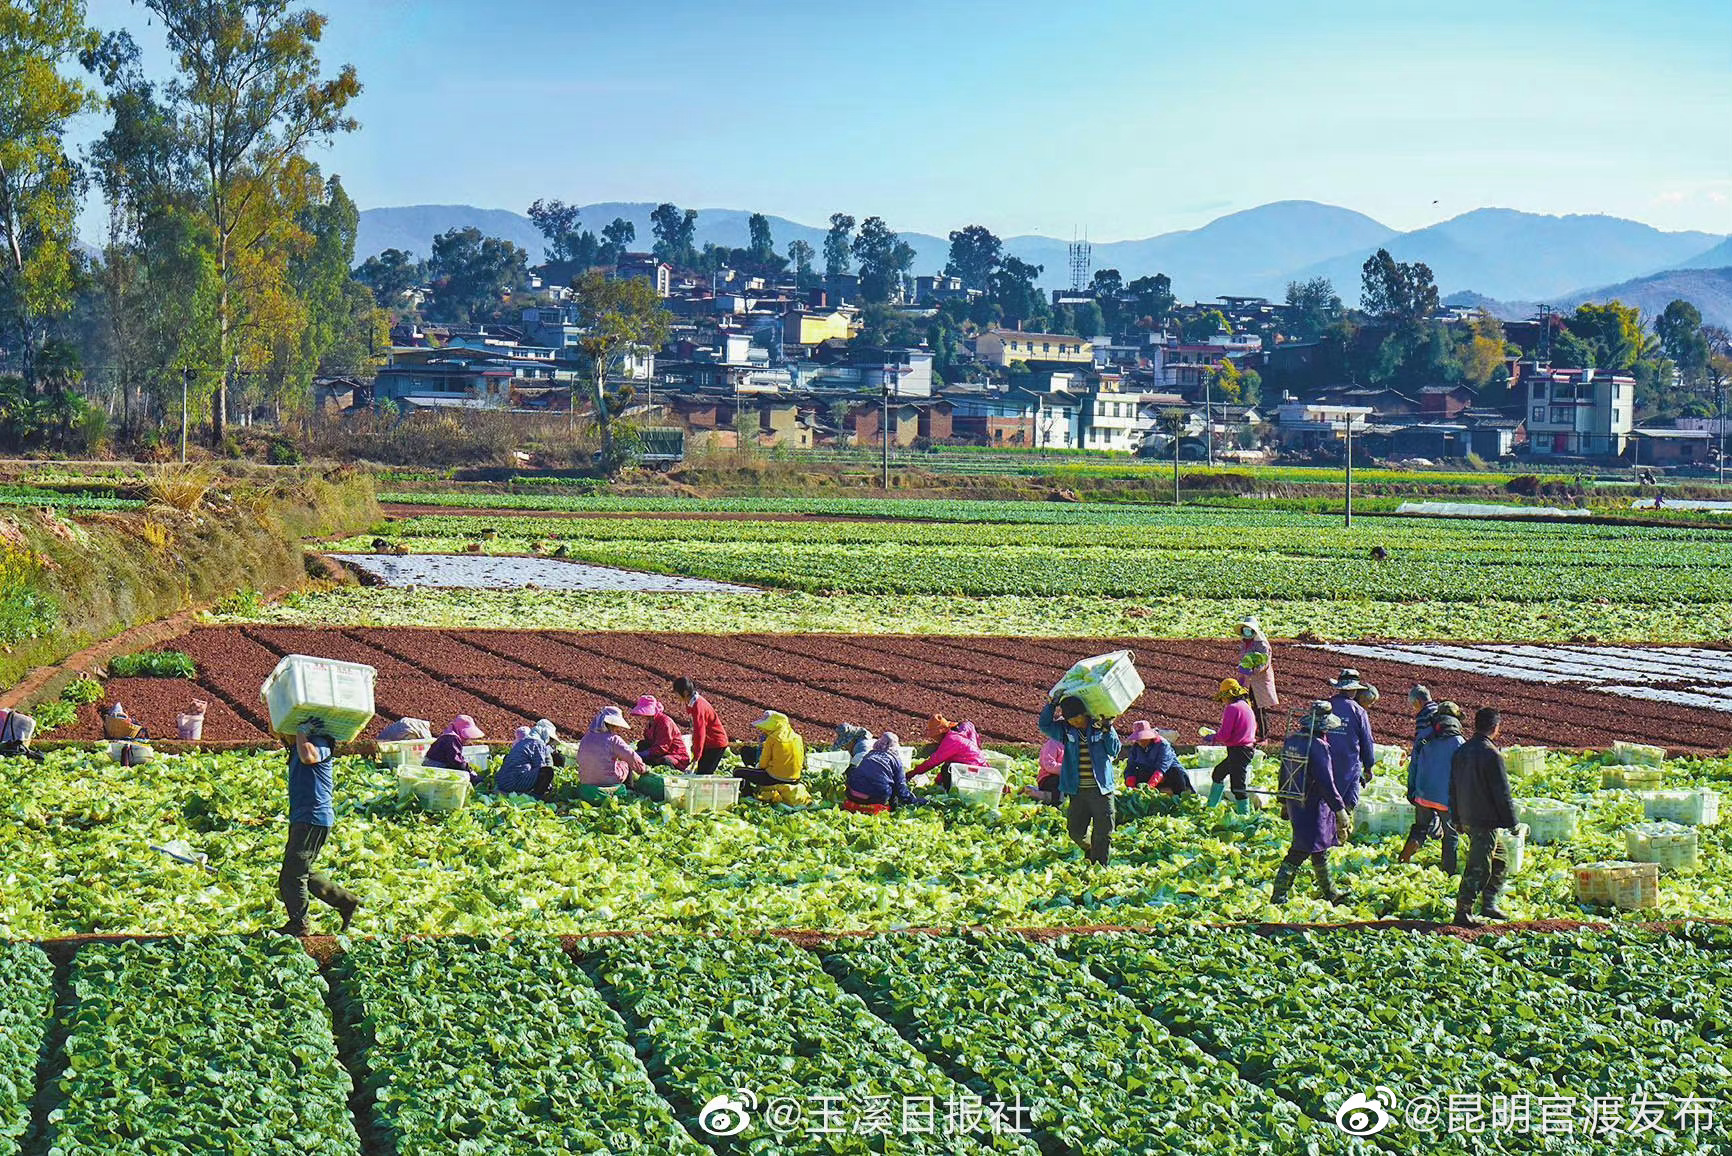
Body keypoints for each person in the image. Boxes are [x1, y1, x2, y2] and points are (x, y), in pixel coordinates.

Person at [276, 717, 359, 936]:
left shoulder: (319, 742)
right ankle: (346, 901)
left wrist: (301, 731)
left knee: (291, 876)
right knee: (301, 871)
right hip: (304, 817)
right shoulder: (297, 745)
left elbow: (309, 757)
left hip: (313, 817)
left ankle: (299, 925)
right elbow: (276, 729)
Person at [1270, 702, 1351, 906]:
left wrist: (1283, 801)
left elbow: (1284, 772)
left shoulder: (1293, 740)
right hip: (1313, 805)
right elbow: (1326, 782)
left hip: (1295, 801)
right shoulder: (1319, 746)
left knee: (1318, 849)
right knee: (1301, 849)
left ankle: (1330, 892)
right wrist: (1340, 810)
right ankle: (1279, 895)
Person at [1449, 707, 1517, 927]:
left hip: (1468, 816)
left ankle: (1489, 903)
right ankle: (1463, 911)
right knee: (1479, 866)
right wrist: (1512, 823)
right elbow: (1502, 792)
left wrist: (1456, 817)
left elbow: (1452, 787)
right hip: (1483, 820)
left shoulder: (1462, 750)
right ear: (1496, 728)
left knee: (1500, 859)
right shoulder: (1491, 754)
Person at [1038, 694, 1122, 866]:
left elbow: (1114, 750)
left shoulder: (1099, 727)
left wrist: (1108, 728)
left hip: (1101, 790)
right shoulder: (1065, 730)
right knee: (1075, 831)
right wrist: (1052, 705)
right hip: (1077, 790)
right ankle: (1089, 849)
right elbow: (1044, 725)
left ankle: (1100, 866)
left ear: (1085, 714)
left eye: (1077, 718)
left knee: (1104, 831)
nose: (1075, 722)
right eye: (1071, 720)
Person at [1400, 700, 1463, 873]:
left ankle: (1404, 857)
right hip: (1445, 798)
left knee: (1420, 827)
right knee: (1450, 835)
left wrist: (1412, 788)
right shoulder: (1458, 742)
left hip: (1423, 792)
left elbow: (1414, 765)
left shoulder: (1424, 736)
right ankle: (1448, 872)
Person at [1206, 678, 1260, 815]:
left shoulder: (1232, 708)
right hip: (1245, 749)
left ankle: (1244, 816)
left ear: (1227, 696)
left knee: (1238, 786)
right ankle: (1211, 808)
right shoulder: (1245, 705)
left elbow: (1225, 734)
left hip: (1239, 750)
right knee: (1218, 773)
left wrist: (1213, 737)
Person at [1326, 669, 1377, 811]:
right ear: (1354, 690)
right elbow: (1367, 742)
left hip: (1323, 759)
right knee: (1347, 803)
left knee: (1323, 800)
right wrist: (1368, 766)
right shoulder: (1359, 711)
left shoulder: (1326, 705)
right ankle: (1342, 828)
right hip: (1348, 764)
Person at [844, 732, 925, 814]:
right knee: (894, 785)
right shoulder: (895, 761)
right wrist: (914, 801)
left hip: (851, 794)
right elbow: (901, 788)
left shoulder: (870, 754)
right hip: (875, 798)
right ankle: (893, 810)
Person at [577, 706, 648, 791]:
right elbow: (631, 756)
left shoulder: (586, 737)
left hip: (585, 780)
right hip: (608, 781)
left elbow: (579, 758)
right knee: (626, 763)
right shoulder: (613, 739)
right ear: (611, 725)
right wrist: (642, 769)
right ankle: (630, 790)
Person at [910, 715, 989, 788]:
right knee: (948, 768)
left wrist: (911, 774)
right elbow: (949, 760)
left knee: (947, 768)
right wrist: (938, 780)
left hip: (975, 770)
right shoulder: (952, 736)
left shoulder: (951, 740)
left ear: (941, 732)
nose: (935, 739)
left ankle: (951, 793)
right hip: (978, 767)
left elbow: (933, 761)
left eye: (935, 736)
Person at [672, 676, 729, 776]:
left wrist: (697, 756)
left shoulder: (698, 707)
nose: (676, 697)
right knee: (701, 774)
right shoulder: (691, 702)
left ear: (685, 693)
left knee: (704, 775)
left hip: (716, 743)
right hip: (708, 743)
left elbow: (700, 732)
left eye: (676, 694)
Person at [738, 710, 805, 794]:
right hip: (795, 779)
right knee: (748, 751)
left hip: (774, 778)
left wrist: (755, 767)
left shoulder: (773, 738)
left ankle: (748, 794)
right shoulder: (798, 737)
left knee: (737, 771)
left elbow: (763, 764)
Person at [1236, 617, 1279, 738]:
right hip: (1247, 680)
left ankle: (1263, 735)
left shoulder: (1262, 644)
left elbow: (1264, 663)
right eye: (1245, 630)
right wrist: (1243, 669)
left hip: (1259, 681)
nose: (1247, 632)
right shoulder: (1245, 643)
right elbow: (1243, 659)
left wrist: (1253, 670)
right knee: (1247, 705)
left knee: (1260, 708)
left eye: (1249, 630)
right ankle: (1250, 732)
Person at [495, 719, 560, 799]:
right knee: (547, 772)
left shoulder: (523, 742)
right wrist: (548, 785)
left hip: (502, 782)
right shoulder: (537, 743)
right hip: (513, 782)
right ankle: (535, 798)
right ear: (545, 734)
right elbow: (540, 766)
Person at [1122, 720, 1188, 794]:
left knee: (1175, 771)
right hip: (1150, 773)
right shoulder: (1135, 748)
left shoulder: (1163, 745)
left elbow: (1162, 767)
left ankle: (1179, 795)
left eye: (1143, 739)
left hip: (1167, 775)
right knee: (1138, 773)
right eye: (1138, 739)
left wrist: (1149, 787)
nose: (1140, 742)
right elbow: (1130, 767)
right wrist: (1132, 786)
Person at [630, 695, 690, 770]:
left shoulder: (665, 722)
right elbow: (650, 741)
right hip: (658, 752)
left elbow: (662, 746)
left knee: (665, 761)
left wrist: (645, 754)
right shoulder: (650, 722)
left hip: (675, 755)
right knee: (641, 745)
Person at [425, 715, 485, 784]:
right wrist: (470, 772)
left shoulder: (449, 736)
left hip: (434, 766)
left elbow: (457, 757)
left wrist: (468, 768)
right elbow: (455, 761)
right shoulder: (452, 739)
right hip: (436, 768)